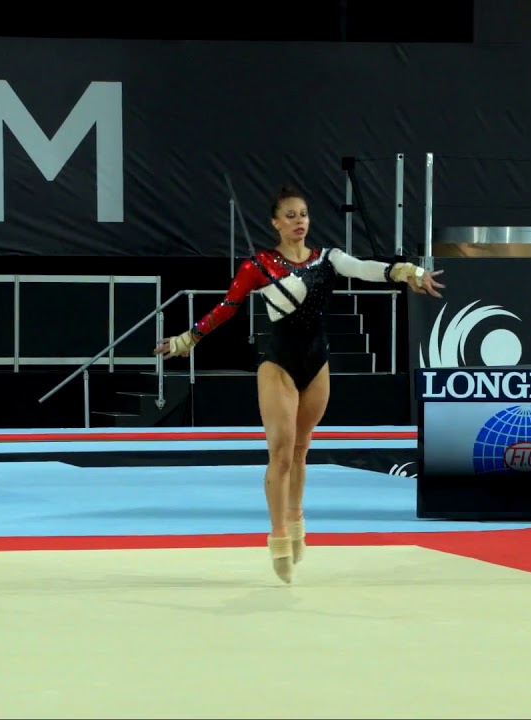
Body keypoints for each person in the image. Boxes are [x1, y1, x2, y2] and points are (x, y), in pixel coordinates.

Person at [155, 183, 444, 583]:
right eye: (289, 216)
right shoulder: (258, 266)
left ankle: (296, 521)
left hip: (317, 363)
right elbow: (227, 308)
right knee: (282, 454)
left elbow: (365, 268)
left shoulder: (329, 259)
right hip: (278, 364)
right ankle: (277, 537)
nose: (298, 222)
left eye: (303, 215)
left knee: (302, 449)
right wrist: (189, 338)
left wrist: (406, 271)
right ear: (275, 223)